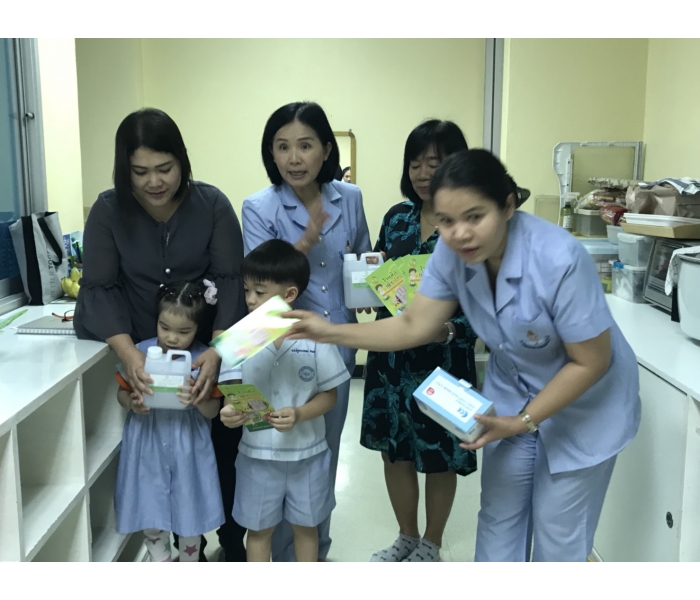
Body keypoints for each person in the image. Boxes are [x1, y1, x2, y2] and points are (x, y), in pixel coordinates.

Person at [285, 148, 642, 562]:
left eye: (475, 217)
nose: (460, 234)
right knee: (499, 519)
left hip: (584, 406)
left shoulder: (558, 258)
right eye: (447, 221)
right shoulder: (452, 253)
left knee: (558, 534)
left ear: (508, 205)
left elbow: (591, 361)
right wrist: (329, 331)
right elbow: (413, 325)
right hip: (515, 395)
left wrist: (523, 420)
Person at [74, 108, 248, 561]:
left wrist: (218, 352)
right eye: (140, 172)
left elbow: (231, 283)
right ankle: (173, 550)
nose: (154, 181)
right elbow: (99, 288)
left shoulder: (212, 205)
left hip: (208, 350)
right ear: (124, 169)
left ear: (182, 160)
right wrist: (129, 353)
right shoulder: (109, 210)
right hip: (143, 350)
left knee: (219, 451)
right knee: (156, 459)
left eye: (165, 168)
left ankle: (225, 545)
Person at [241, 101, 371, 561]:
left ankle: (314, 553)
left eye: (305, 145)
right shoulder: (258, 206)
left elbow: (361, 261)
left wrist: (374, 291)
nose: (294, 158)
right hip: (280, 346)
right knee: (276, 450)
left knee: (323, 454)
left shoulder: (349, 197)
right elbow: (263, 281)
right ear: (271, 153)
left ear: (326, 150)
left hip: (338, 344)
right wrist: (306, 240)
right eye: (282, 147)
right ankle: (276, 558)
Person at [363, 120, 478, 563]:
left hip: (443, 362)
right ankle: (406, 536)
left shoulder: (469, 224)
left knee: (439, 455)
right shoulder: (398, 218)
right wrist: (365, 291)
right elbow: (378, 273)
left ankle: (432, 541)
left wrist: (449, 329)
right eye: (415, 163)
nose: (424, 172)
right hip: (391, 360)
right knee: (394, 453)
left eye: (435, 162)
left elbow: (485, 300)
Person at [219, 240, 350, 562]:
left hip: (308, 456)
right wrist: (229, 413)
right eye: (247, 290)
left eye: (259, 292)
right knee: (258, 531)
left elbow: (330, 395)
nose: (250, 299)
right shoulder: (240, 337)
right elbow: (230, 392)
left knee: (306, 528)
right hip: (256, 457)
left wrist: (300, 413)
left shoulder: (314, 334)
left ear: (289, 294)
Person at [114, 280, 224, 562]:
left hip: (188, 446)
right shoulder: (139, 354)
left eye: (184, 331)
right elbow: (121, 393)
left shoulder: (203, 360)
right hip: (147, 443)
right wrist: (132, 403)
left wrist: (198, 399)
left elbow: (213, 411)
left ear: (197, 328)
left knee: (190, 515)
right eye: (164, 328)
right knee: (151, 511)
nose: (172, 338)